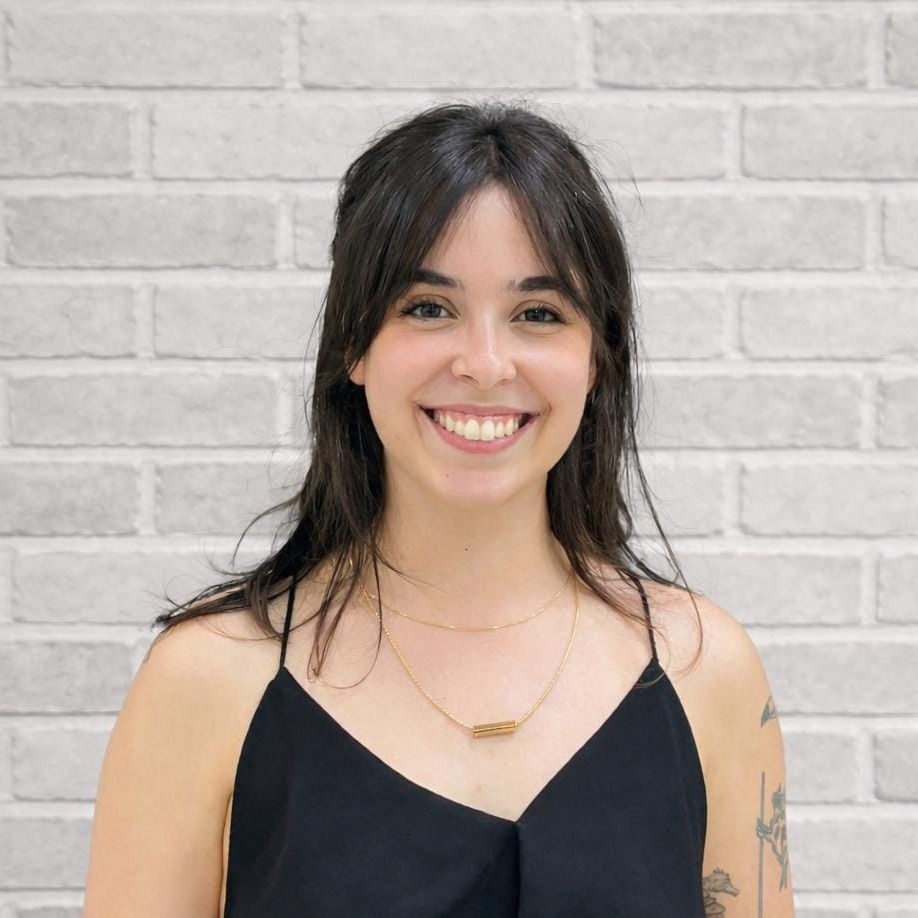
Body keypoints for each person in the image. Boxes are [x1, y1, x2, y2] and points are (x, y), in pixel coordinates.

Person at [83, 100, 795, 917]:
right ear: (353, 344)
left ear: (597, 358)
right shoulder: (208, 680)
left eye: (538, 314)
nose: (485, 365)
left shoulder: (706, 670)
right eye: (428, 307)